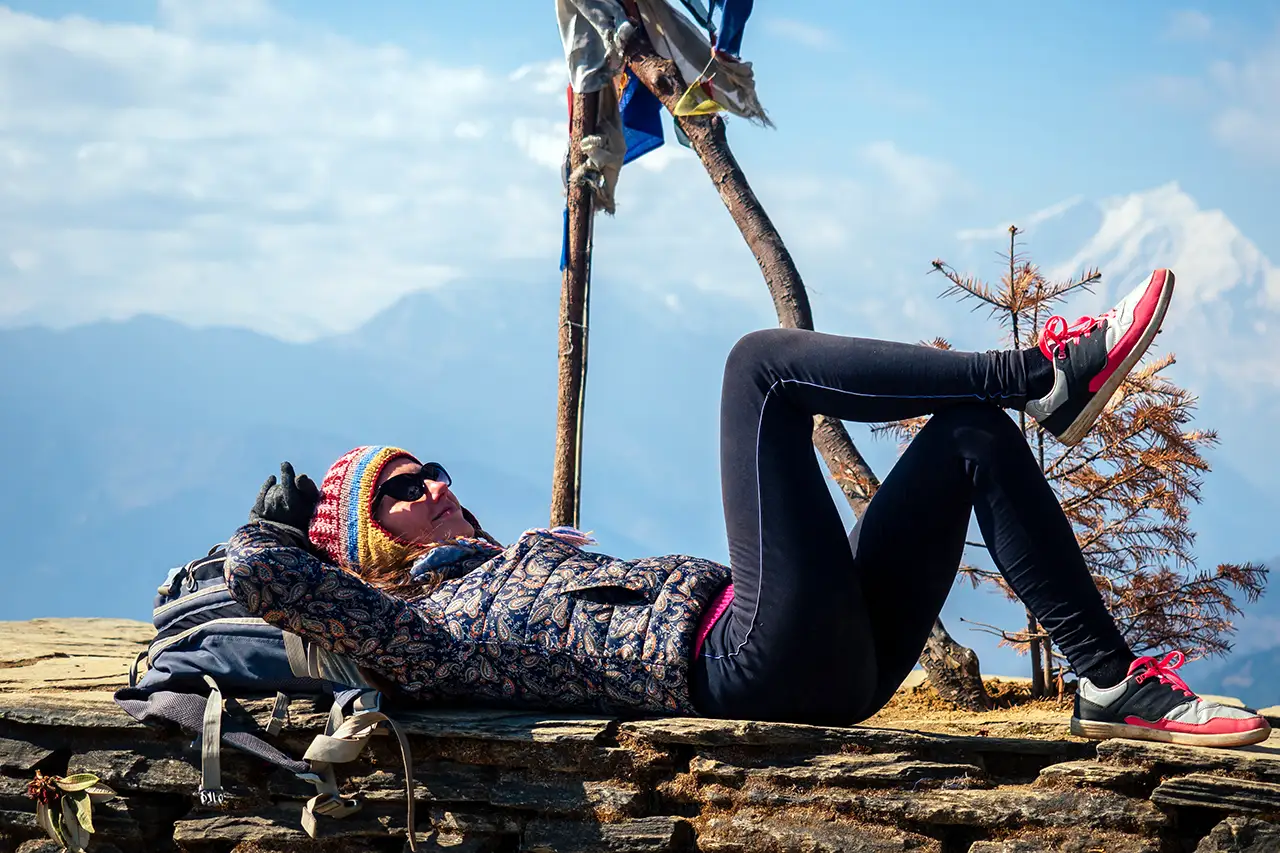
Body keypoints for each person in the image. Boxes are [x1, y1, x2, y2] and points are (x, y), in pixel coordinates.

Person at [225, 268, 1271, 748]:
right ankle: (1042, 370)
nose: (437, 485)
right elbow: (261, 577)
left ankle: (1104, 681)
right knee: (758, 370)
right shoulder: (412, 629)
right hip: (748, 667)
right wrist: (276, 527)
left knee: (966, 439)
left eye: (432, 466)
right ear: (369, 541)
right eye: (402, 490)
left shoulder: (511, 562)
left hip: (832, 656)